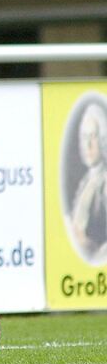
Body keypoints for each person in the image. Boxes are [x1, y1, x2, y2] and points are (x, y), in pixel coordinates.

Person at [70, 102, 107, 263]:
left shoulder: (104, 183)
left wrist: (88, 246)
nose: (88, 145)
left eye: (92, 137)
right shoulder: (86, 181)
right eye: (84, 137)